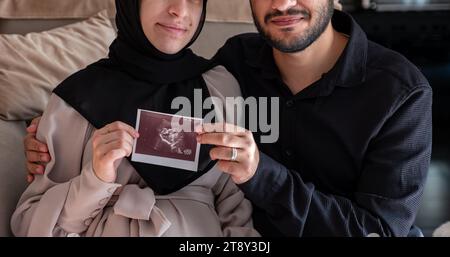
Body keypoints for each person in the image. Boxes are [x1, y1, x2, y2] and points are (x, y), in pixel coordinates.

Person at [23, 0, 432, 237]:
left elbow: (380, 232)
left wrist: (261, 175)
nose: (283, 2)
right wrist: (56, 132)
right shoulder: (234, 66)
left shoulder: (400, 94)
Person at [12, 0, 260, 237]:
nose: (180, 11)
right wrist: (95, 180)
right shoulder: (77, 98)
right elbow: (30, 224)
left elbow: (235, 212)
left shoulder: (221, 87)